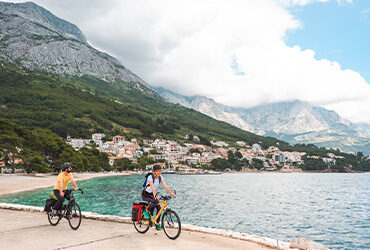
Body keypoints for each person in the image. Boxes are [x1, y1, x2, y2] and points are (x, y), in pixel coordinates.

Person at [142, 164, 175, 230]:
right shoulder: (150, 177)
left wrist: (171, 193)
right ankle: (146, 211)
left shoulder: (160, 177)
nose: (159, 172)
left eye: (160, 171)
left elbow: (165, 186)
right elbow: (152, 187)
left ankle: (157, 224)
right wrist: (155, 196)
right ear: (154, 171)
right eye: (157, 171)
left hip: (152, 194)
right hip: (146, 194)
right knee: (156, 201)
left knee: (159, 208)